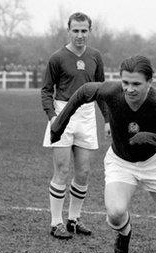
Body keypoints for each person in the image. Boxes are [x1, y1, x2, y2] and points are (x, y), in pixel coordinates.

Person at [51, 55, 156, 253]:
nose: (129, 89)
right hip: (121, 161)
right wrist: (60, 123)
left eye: (136, 84)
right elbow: (85, 90)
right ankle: (125, 233)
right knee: (115, 213)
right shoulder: (112, 92)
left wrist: (148, 137)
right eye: (125, 82)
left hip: (155, 164)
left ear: (149, 83)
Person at [41, 12, 107, 239]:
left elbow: (101, 90)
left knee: (84, 172)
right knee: (62, 169)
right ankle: (56, 222)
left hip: (87, 115)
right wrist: (52, 117)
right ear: (68, 31)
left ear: (90, 31)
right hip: (62, 112)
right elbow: (46, 90)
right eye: (76, 30)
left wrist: (107, 120)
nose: (80, 35)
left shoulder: (96, 56)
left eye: (84, 30)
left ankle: (74, 219)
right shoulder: (57, 57)